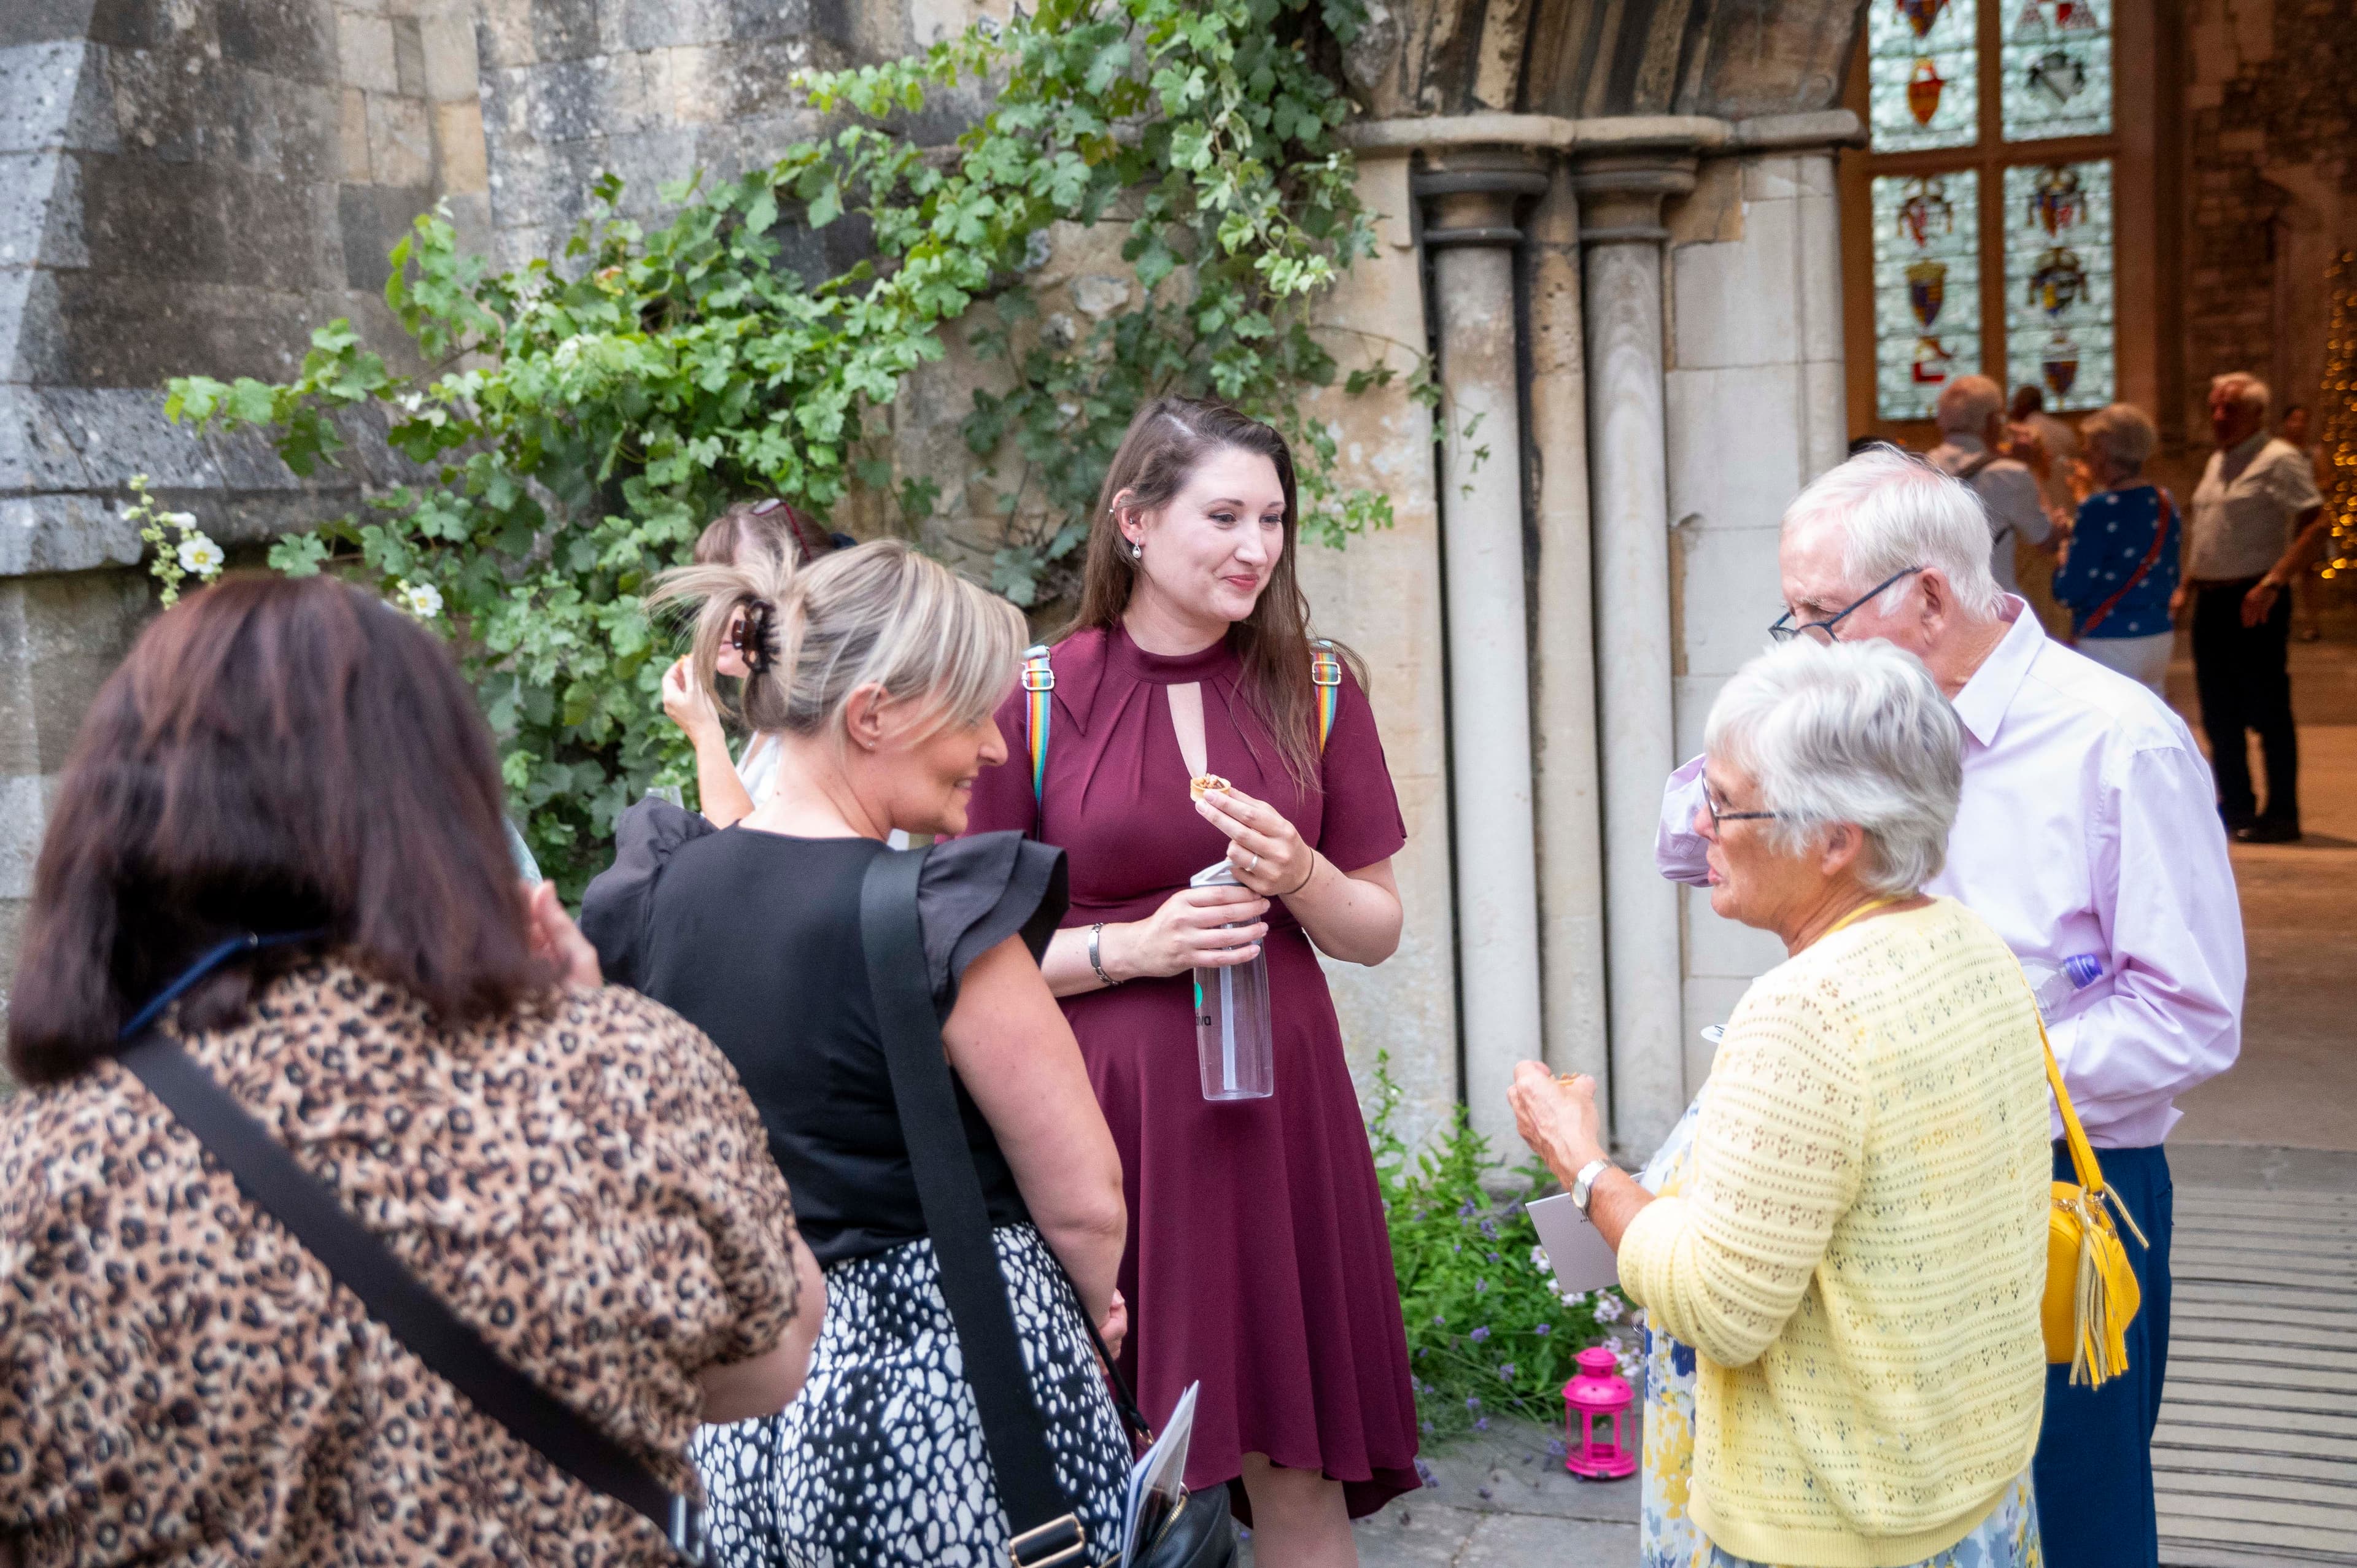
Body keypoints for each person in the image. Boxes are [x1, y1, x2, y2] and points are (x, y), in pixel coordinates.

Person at [0, 574, 823, 1566]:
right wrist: (596, 1015)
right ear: (443, 793)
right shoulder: (631, 1077)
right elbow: (775, 1358)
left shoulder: (42, 1179)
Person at [1653, 447, 2245, 1568]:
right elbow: (1687, 850)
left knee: (2072, 1517)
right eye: (1791, 619)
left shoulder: (2118, 741)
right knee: (1889, 1512)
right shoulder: (1833, 706)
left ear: (1927, 596)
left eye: (1821, 614)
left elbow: (2190, 1017)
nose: (1805, 643)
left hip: (2060, 1179)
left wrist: (1957, 1074)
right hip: (1858, 1188)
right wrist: (1753, 752)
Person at [581, 538, 1134, 1568]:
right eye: (973, 715)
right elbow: (1086, 1197)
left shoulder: (654, 896)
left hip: (739, 1411)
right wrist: (1092, 1312)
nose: (996, 750)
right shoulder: (937, 918)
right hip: (949, 1399)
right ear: (872, 715)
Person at [961, 396, 1419, 1563]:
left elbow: (1373, 930)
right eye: (1224, 515)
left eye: (1273, 519)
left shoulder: (1315, 686)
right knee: (1114, 1461)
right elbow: (965, 959)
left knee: (1295, 1455)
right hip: (1110, 1123)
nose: (1256, 548)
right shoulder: (1033, 699)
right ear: (1135, 522)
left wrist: (1303, 872)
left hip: (1281, 1116)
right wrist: (1135, 949)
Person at [1518, 636, 2052, 1568]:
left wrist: (1582, 1164)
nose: (1695, 824)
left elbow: (1720, 1306)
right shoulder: (1973, 944)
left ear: (1835, 839)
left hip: (1835, 1522)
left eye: (1724, 802)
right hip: (1972, 1492)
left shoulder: (1807, 1007)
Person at [2175, 373, 2329, 842]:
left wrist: (2276, 580)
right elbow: (2209, 534)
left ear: (2258, 412)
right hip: (2213, 600)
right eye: (2216, 407)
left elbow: (2318, 523)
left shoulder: (2278, 459)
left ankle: (2282, 813)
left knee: (2268, 710)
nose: (2220, 416)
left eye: (2232, 408)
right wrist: (2186, 585)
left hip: (2255, 600)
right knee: (2219, 712)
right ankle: (2237, 807)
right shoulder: (2218, 460)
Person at [660, 497, 845, 825]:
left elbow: (753, 853)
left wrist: (706, 735)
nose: (713, 616)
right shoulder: (773, 710)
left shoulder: (821, 713)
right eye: (710, 596)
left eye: (740, 594)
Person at [2052, 403, 2180, 695]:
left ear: (2104, 451)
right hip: (2157, 636)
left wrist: (2062, 555)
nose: (2085, 455)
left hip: (2109, 640)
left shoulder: (2097, 509)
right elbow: (2169, 573)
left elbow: (2071, 590)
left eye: (2089, 447)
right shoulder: (2164, 501)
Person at [1927, 375, 2053, 598]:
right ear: (1993, 420)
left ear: (1941, 420)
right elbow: (2044, 539)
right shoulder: (2009, 474)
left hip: (1939, 600)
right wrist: (2031, 468)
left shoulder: (1918, 468)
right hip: (1993, 602)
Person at [2011, 382, 2083, 521]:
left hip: (2038, 512)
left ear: (2024, 405)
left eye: (2015, 404)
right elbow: (2077, 468)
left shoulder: (2018, 436)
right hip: (2067, 508)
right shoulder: (2064, 430)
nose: (2013, 410)